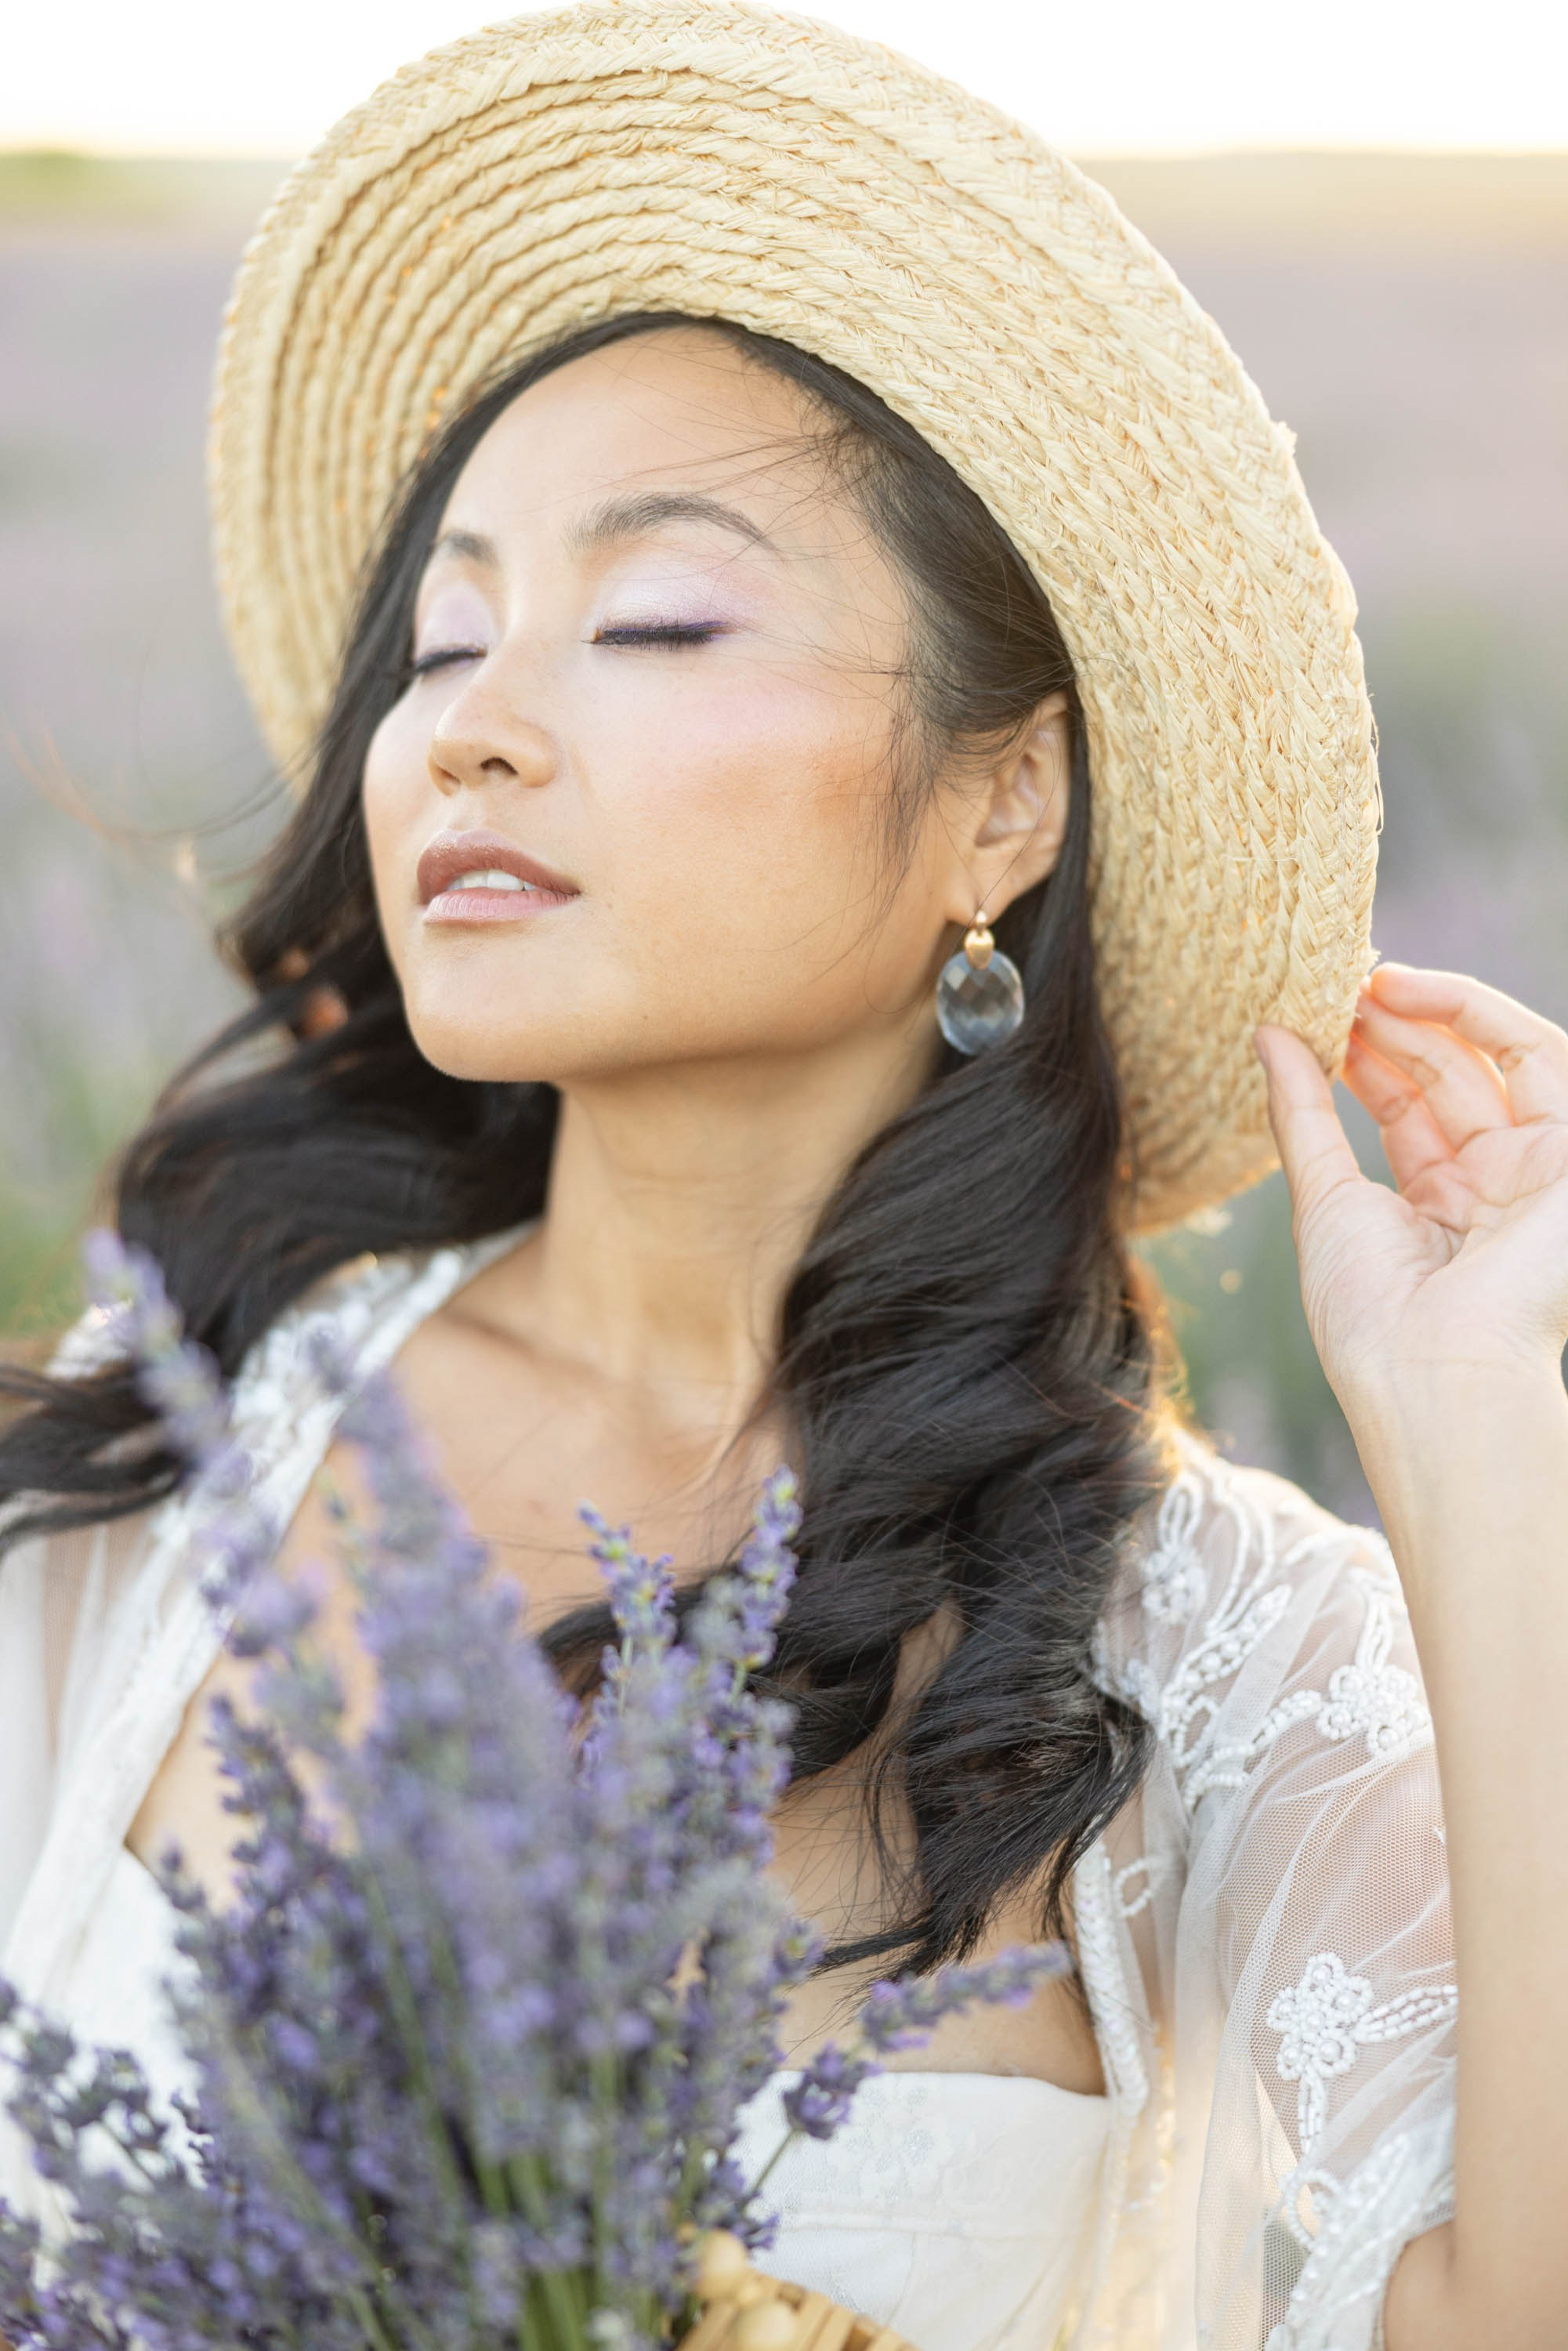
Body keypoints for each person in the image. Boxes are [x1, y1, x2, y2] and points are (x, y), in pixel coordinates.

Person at [2, 8, 1566, 2349]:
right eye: (443, 638)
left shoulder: (1215, 1646)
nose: (473, 727)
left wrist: (1480, 1438)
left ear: (1002, 802)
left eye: (653, 619)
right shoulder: (179, 1444)